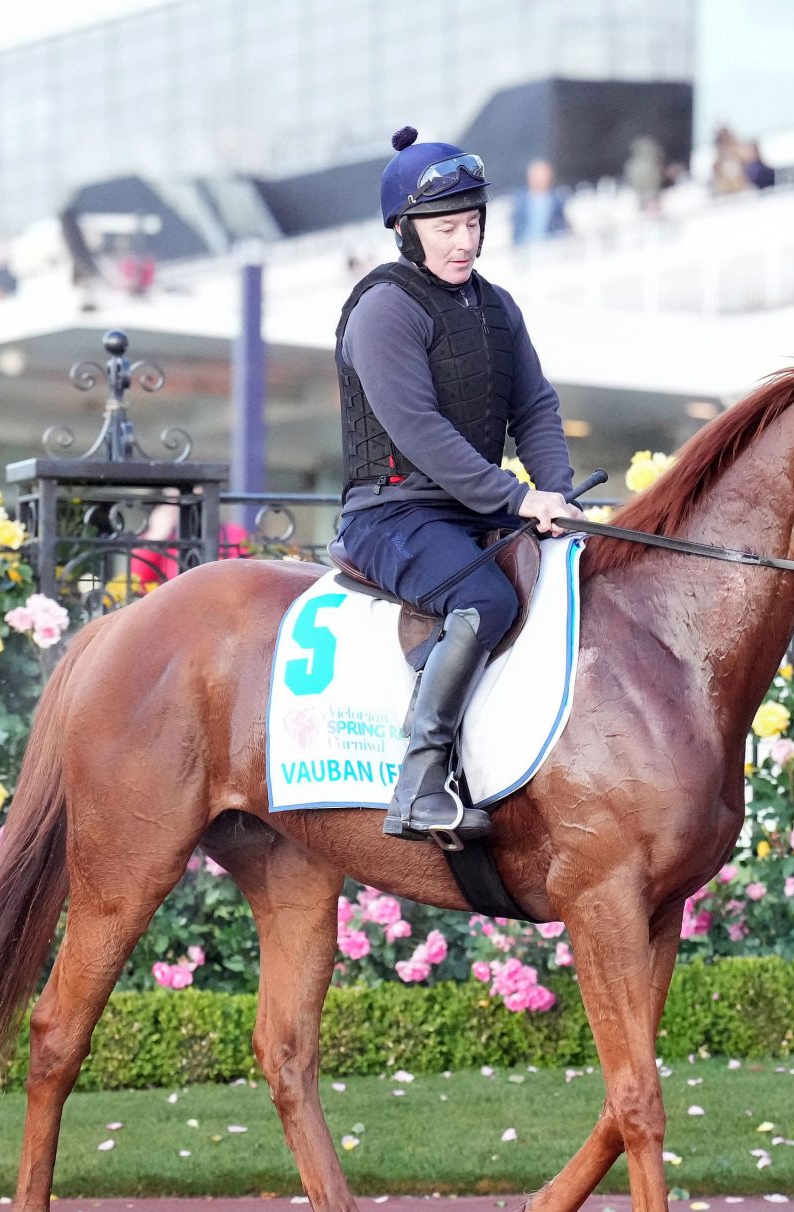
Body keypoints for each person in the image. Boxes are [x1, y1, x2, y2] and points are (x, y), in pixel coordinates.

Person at [333, 126, 582, 845]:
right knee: (484, 596)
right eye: (447, 227)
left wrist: (556, 493)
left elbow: (534, 406)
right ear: (407, 233)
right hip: (390, 517)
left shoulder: (498, 307)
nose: (464, 241)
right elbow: (417, 430)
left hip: (473, 514)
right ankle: (418, 783)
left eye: (473, 223)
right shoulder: (383, 308)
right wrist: (516, 498)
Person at [510, 158, 568, 246]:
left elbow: (561, 225)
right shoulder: (520, 200)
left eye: (544, 175)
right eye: (538, 175)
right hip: (524, 246)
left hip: (549, 245)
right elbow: (516, 225)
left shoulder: (557, 200)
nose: (541, 179)